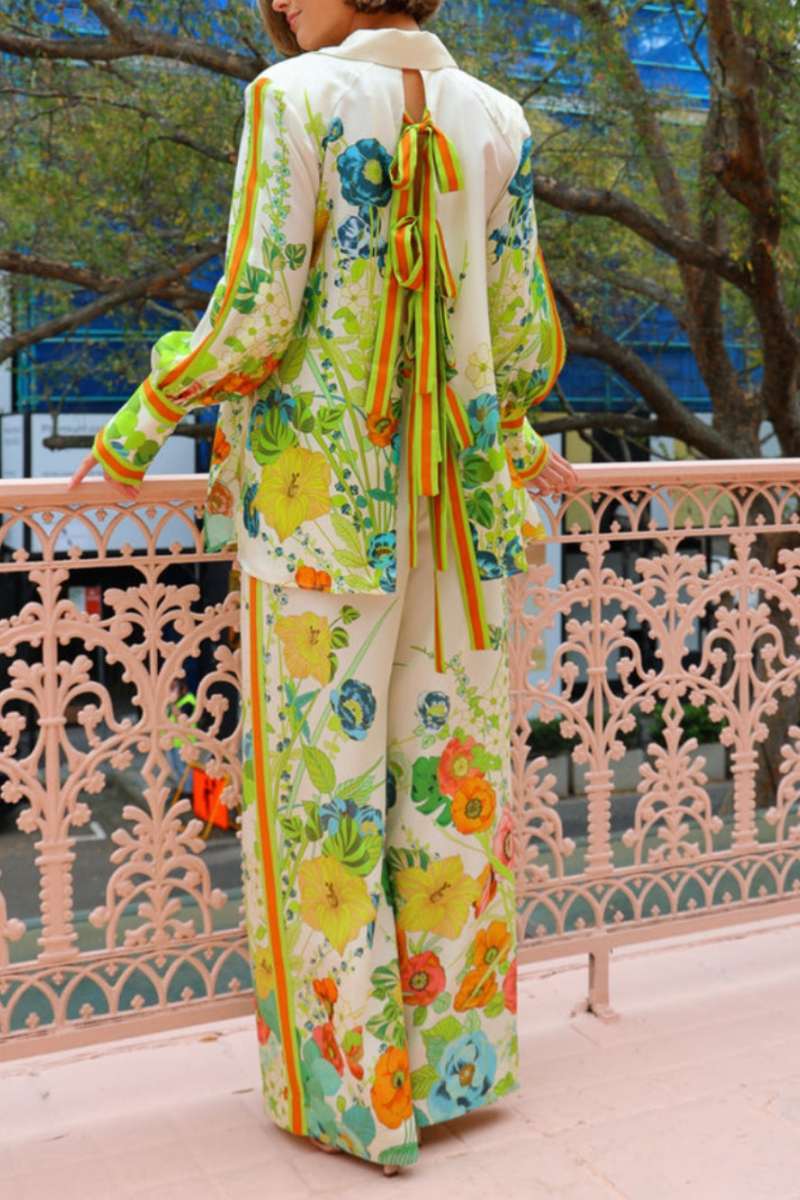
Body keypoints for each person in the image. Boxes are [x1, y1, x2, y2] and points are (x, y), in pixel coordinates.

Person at [69, 0, 578, 1175]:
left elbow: (253, 317)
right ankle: (448, 1078)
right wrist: (507, 440)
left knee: (322, 814)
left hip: (320, 523)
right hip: (456, 521)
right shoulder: (499, 121)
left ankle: (358, 1102)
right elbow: (518, 339)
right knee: (449, 803)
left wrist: (145, 413)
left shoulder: (289, 98)